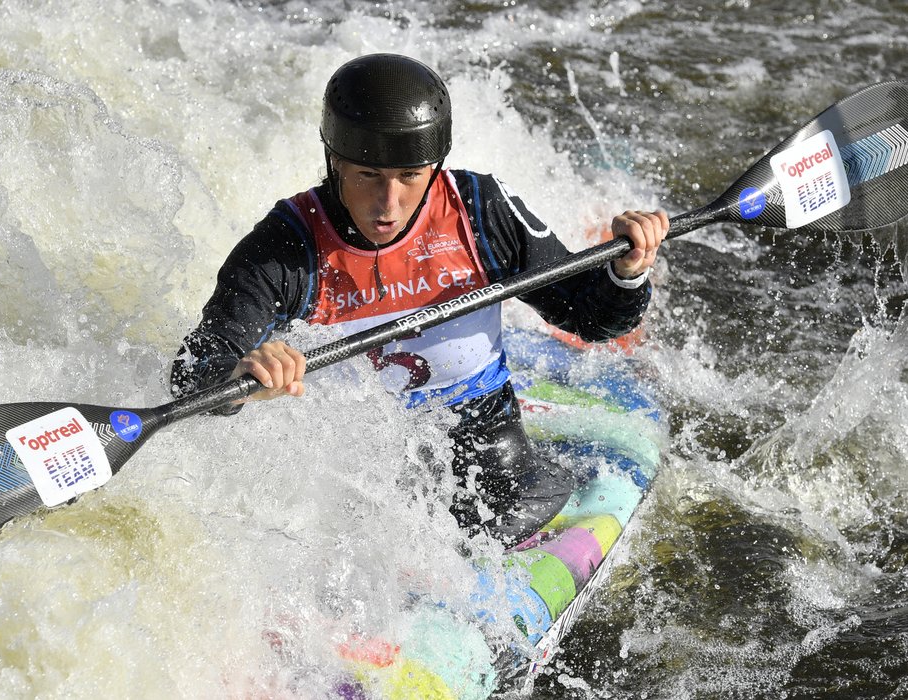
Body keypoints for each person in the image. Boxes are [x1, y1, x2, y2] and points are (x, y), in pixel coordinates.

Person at [171, 53, 668, 545]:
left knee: (499, 490)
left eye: (409, 176)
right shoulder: (286, 247)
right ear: (335, 162)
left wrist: (627, 271)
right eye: (367, 175)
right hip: (351, 475)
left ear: (434, 167)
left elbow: (591, 318)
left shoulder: (480, 210)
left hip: (491, 456)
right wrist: (241, 378)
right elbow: (192, 372)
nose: (389, 204)